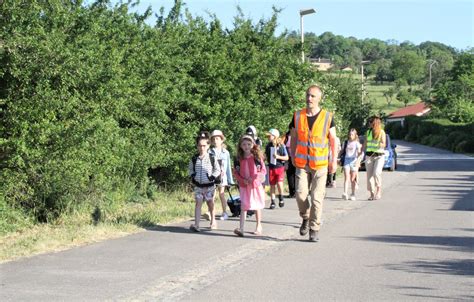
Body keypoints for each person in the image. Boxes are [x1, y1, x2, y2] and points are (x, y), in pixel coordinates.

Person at [290, 84, 337, 242]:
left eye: (313, 96)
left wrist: (334, 161)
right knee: (300, 194)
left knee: (317, 198)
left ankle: (314, 228)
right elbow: (294, 137)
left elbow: (333, 141)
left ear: (319, 98)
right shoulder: (297, 115)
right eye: (308, 95)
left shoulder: (327, 117)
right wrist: (292, 155)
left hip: (320, 164)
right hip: (302, 164)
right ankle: (305, 216)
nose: (309, 98)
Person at [232, 134, 266, 237]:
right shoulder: (238, 159)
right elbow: (236, 172)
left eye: (249, 144)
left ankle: (258, 225)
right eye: (244, 144)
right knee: (244, 206)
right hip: (244, 185)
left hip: (255, 185)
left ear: (253, 145)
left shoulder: (257, 157)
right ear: (240, 146)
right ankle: (241, 228)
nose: (246, 146)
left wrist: (255, 178)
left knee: (257, 206)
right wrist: (242, 180)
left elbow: (262, 171)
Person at [188, 132, 221, 232]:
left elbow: (217, 169)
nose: (202, 148)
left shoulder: (212, 158)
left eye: (204, 145)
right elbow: (190, 169)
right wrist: (193, 175)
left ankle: (213, 221)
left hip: (210, 186)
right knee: (198, 203)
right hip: (198, 186)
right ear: (197, 146)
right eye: (199, 145)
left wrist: (212, 177)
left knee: (210, 203)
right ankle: (196, 224)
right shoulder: (194, 159)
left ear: (208, 145)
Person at [210, 130, 234, 220]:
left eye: (217, 138)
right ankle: (211, 212)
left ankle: (224, 213)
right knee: (212, 194)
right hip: (212, 176)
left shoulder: (226, 153)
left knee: (222, 194)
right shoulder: (209, 152)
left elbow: (228, 167)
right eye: (213, 139)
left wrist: (230, 180)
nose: (215, 141)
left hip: (222, 177)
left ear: (221, 140)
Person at [362, 116, 386, 200]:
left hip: (379, 156)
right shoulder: (368, 132)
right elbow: (365, 144)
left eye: (370, 122)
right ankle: (372, 193)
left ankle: (378, 191)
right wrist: (360, 153)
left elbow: (384, 144)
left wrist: (378, 144)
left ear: (374, 123)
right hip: (369, 156)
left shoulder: (381, 132)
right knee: (369, 177)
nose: (369, 124)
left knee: (376, 173)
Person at [265, 128, 289, 209]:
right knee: (272, 185)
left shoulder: (281, 145)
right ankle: (272, 201)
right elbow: (265, 156)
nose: (268, 137)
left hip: (279, 167)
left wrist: (278, 156)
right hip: (271, 167)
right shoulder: (268, 146)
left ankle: (281, 198)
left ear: (275, 136)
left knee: (279, 183)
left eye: (270, 136)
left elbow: (286, 157)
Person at [340, 128, 363, 201]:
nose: (350, 136)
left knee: (352, 179)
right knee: (346, 177)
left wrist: (360, 153)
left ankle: (353, 194)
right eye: (349, 134)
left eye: (352, 134)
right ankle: (345, 193)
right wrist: (337, 158)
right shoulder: (346, 142)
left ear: (355, 135)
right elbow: (342, 151)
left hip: (354, 161)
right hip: (347, 160)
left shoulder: (356, 143)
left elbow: (359, 152)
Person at [283, 129, 296, 198]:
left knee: (297, 175)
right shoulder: (286, 136)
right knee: (289, 175)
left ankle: (297, 192)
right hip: (288, 158)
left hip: (297, 157)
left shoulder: (298, 134)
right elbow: (282, 145)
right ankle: (292, 192)